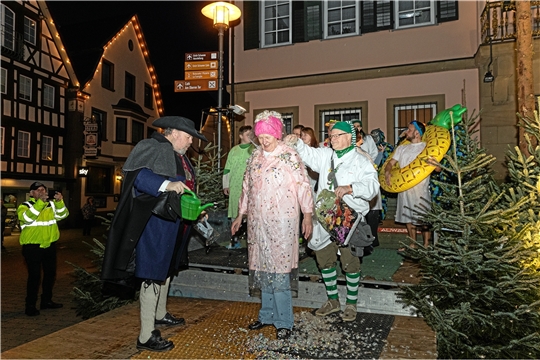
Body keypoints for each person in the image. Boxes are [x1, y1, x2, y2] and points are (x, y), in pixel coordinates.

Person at [101, 116, 208, 352]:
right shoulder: (151, 145)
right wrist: (166, 185)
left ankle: (160, 314)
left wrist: (197, 212)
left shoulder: (181, 156)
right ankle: (145, 335)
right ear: (174, 132)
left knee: (166, 270)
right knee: (152, 274)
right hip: (155, 224)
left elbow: (186, 190)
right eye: (189, 136)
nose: (191, 141)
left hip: (176, 223)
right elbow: (138, 177)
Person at [285, 121, 379, 322]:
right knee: (324, 259)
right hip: (324, 218)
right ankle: (333, 300)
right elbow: (308, 154)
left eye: (337, 135)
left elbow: (372, 187)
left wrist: (351, 188)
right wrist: (297, 143)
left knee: (350, 262)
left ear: (349, 137)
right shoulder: (326, 155)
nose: (332, 139)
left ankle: (351, 304)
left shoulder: (362, 160)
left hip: (348, 220)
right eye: (331, 135)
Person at [231, 110, 314, 340]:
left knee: (279, 270)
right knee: (263, 268)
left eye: (268, 137)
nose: (264, 141)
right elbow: (247, 187)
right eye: (261, 137)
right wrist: (241, 214)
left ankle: (284, 320)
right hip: (258, 223)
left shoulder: (289, 156)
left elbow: (303, 185)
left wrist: (307, 214)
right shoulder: (255, 157)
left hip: (282, 222)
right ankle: (266, 314)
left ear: (277, 135)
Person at [17, 182, 69, 316]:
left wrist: (59, 202)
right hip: (32, 247)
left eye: (43, 189)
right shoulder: (25, 206)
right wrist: (40, 203)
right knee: (34, 277)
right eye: (38, 190)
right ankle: (30, 305)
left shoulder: (51, 205)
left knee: (50, 275)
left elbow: (63, 215)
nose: (41, 191)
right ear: (32, 193)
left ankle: (46, 301)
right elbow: (27, 218)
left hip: (49, 245)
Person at [384, 121, 432, 250]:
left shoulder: (426, 147)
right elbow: (390, 163)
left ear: (417, 133)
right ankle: (412, 244)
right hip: (404, 188)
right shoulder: (401, 148)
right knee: (408, 218)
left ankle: (427, 245)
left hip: (421, 189)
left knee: (424, 218)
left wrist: (434, 164)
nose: (406, 132)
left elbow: (437, 169)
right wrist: (388, 171)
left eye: (409, 130)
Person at [223, 125, 254, 248]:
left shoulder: (255, 149)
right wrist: (226, 185)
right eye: (248, 135)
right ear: (241, 136)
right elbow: (227, 169)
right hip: (235, 187)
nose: (250, 137)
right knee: (235, 213)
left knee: (250, 214)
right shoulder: (234, 150)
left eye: (252, 135)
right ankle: (234, 241)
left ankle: (250, 243)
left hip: (250, 187)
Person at [300, 126, 319, 192]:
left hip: (312, 179)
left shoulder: (317, 150)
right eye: (301, 135)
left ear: (311, 136)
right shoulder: (299, 150)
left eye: (305, 135)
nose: (303, 137)